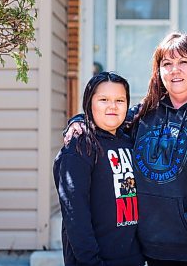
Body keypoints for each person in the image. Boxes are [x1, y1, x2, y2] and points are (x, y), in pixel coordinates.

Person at [65, 33, 187, 266]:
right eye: (167, 64)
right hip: (154, 247)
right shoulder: (147, 111)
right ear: (159, 71)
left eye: (183, 62)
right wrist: (79, 120)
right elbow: (109, 118)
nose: (174, 70)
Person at [53, 72, 145, 266]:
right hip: (95, 260)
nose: (112, 106)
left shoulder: (130, 140)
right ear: (89, 103)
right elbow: (74, 213)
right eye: (103, 99)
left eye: (120, 100)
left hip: (132, 258)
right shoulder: (79, 146)